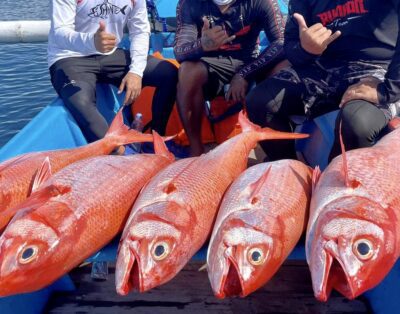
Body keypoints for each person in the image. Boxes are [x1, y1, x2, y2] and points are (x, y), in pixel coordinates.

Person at [246, 0, 400, 162]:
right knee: (258, 101)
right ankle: (287, 166)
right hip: (323, 66)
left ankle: (337, 182)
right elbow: (291, 48)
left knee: (357, 124)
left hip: (381, 67)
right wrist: (305, 49)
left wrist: (388, 91)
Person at [48, 0, 178, 145]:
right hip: (70, 56)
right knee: (81, 102)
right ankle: (116, 151)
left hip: (109, 53)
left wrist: (136, 72)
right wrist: (92, 41)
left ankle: (155, 139)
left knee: (168, 73)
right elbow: (59, 32)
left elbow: (139, 30)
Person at [173, 0, 287, 156]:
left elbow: (281, 42)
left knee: (283, 66)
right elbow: (179, 51)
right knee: (187, 71)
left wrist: (244, 74)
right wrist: (202, 44)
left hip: (250, 61)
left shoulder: (262, 2)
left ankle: (278, 150)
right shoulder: (189, 3)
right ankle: (196, 147)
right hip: (210, 63)